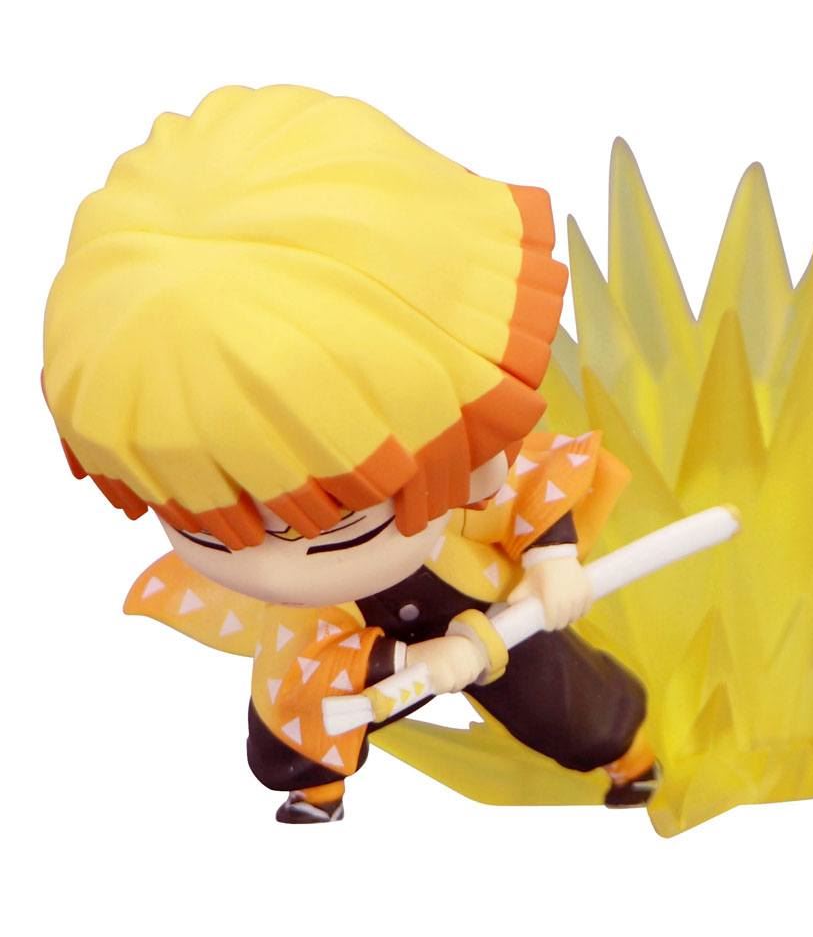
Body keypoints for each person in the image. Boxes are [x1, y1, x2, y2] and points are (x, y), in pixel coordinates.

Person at [43, 86, 655, 823]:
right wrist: (407, 664)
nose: (272, 567)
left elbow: (526, 483)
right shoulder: (300, 605)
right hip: (342, 638)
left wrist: (552, 562)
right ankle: (316, 787)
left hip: (479, 597)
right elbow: (315, 659)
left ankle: (631, 759)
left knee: (566, 703)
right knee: (291, 721)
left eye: (338, 524)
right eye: (205, 530)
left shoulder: (466, 480)